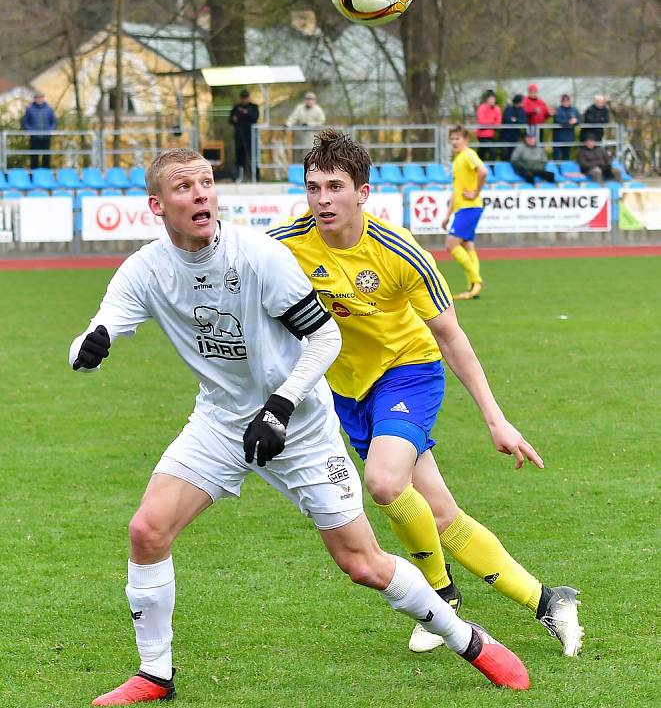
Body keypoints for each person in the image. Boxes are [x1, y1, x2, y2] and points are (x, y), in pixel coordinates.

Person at [70, 147, 531, 705]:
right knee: (147, 531)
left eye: (206, 183)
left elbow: (324, 338)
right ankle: (154, 675)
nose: (200, 194)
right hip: (219, 421)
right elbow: (98, 328)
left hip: (302, 425)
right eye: (184, 187)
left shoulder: (258, 255)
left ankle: (468, 640)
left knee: (362, 564)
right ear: (157, 205)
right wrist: (89, 348)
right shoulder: (146, 269)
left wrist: (283, 405)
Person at [268, 129, 583, 659]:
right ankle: (550, 600)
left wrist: (495, 419)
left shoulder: (398, 250)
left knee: (385, 483)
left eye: (335, 187)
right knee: (438, 514)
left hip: (409, 372)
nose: (323, 199)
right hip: (349, 390)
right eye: (313, 187)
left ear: (362, 192)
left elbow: (451, 336)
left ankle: (441, 596)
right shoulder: (284, 244)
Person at [440, 125, 487, 300]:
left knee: (451, 245)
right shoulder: (458, 159)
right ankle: (472, 286)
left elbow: (483, 171)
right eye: (452, 139)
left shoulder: (468, 154)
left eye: (458, 138)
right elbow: (456, 191)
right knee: (467, 246)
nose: (454, 142)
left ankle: (477, 280)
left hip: (470, 207)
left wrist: (475, 192)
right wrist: (447, 215)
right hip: (464, 208)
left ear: (466, 140)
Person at [286, 91, 326, 160]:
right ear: (305, 100)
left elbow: (321, 122)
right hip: (299, 137)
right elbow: (293, 118)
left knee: (309, 156)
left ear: (314, 101)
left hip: (311, 137)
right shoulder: (300, 108)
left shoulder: (318, 110)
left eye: (311, 99)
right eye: (308, 99)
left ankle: (309, 169)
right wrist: (287, 124)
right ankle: (298, 170)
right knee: (297, 156)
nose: (309, 101)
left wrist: (309, 124)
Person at [228, 89, 259, 181]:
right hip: (239, 135)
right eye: (243, 98)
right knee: (239, 156)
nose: (244, 100)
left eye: (246, 98)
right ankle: (239, 176)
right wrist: (236, 118)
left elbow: (255, 117)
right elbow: (231, 120)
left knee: (253, 155)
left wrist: (246, 113)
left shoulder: (253, 107)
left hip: (251, 136)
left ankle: (256, 176)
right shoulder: (236, 107)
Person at [21, 91, 57, 169]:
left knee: (46, 157)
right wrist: (31, 131)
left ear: (43, 98)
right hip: (34, 138)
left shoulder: (49, 109)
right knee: (34, 157)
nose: (39, 99)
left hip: (46, 138)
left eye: (41, 97)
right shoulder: (30, 109)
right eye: (37, 98)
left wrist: (49, 130)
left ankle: (46, 176)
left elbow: (54, 122)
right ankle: (33, 176)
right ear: (35, 99)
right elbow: (25, 122)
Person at [552, 94, 580, 161]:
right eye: (564, 101)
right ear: (561, 102)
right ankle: (556, 171)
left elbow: (579, 119)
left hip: (568, 138)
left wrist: (576, 121)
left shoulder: (574, 110)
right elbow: (558, 120)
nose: (566, 102)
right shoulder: (558, 110)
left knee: (566, 157)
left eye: (567, 100)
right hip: (558, 138)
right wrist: (568, 122)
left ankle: (565, 170)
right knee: (556, 157)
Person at [475, 89, 502, 160]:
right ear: (487, 99)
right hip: (482, 135)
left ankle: (477, 167)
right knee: (492, 152)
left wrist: (489, 124)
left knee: (481, 153)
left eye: (493, 99)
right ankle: (492, 168)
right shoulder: (482, 107)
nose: (492, 101)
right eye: (490, 99)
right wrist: (492, 122)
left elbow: (498, 123)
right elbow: (481, 121)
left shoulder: (497, 109)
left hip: (492, 135)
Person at [500, 94, 527, 160]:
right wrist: (516, 120)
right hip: (505, 136)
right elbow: (507, 120)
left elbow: (523, 121)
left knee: (513, 155)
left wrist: (515, 120)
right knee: (505, 154)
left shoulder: (521, 110)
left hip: (515, 136)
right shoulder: (508, 109)